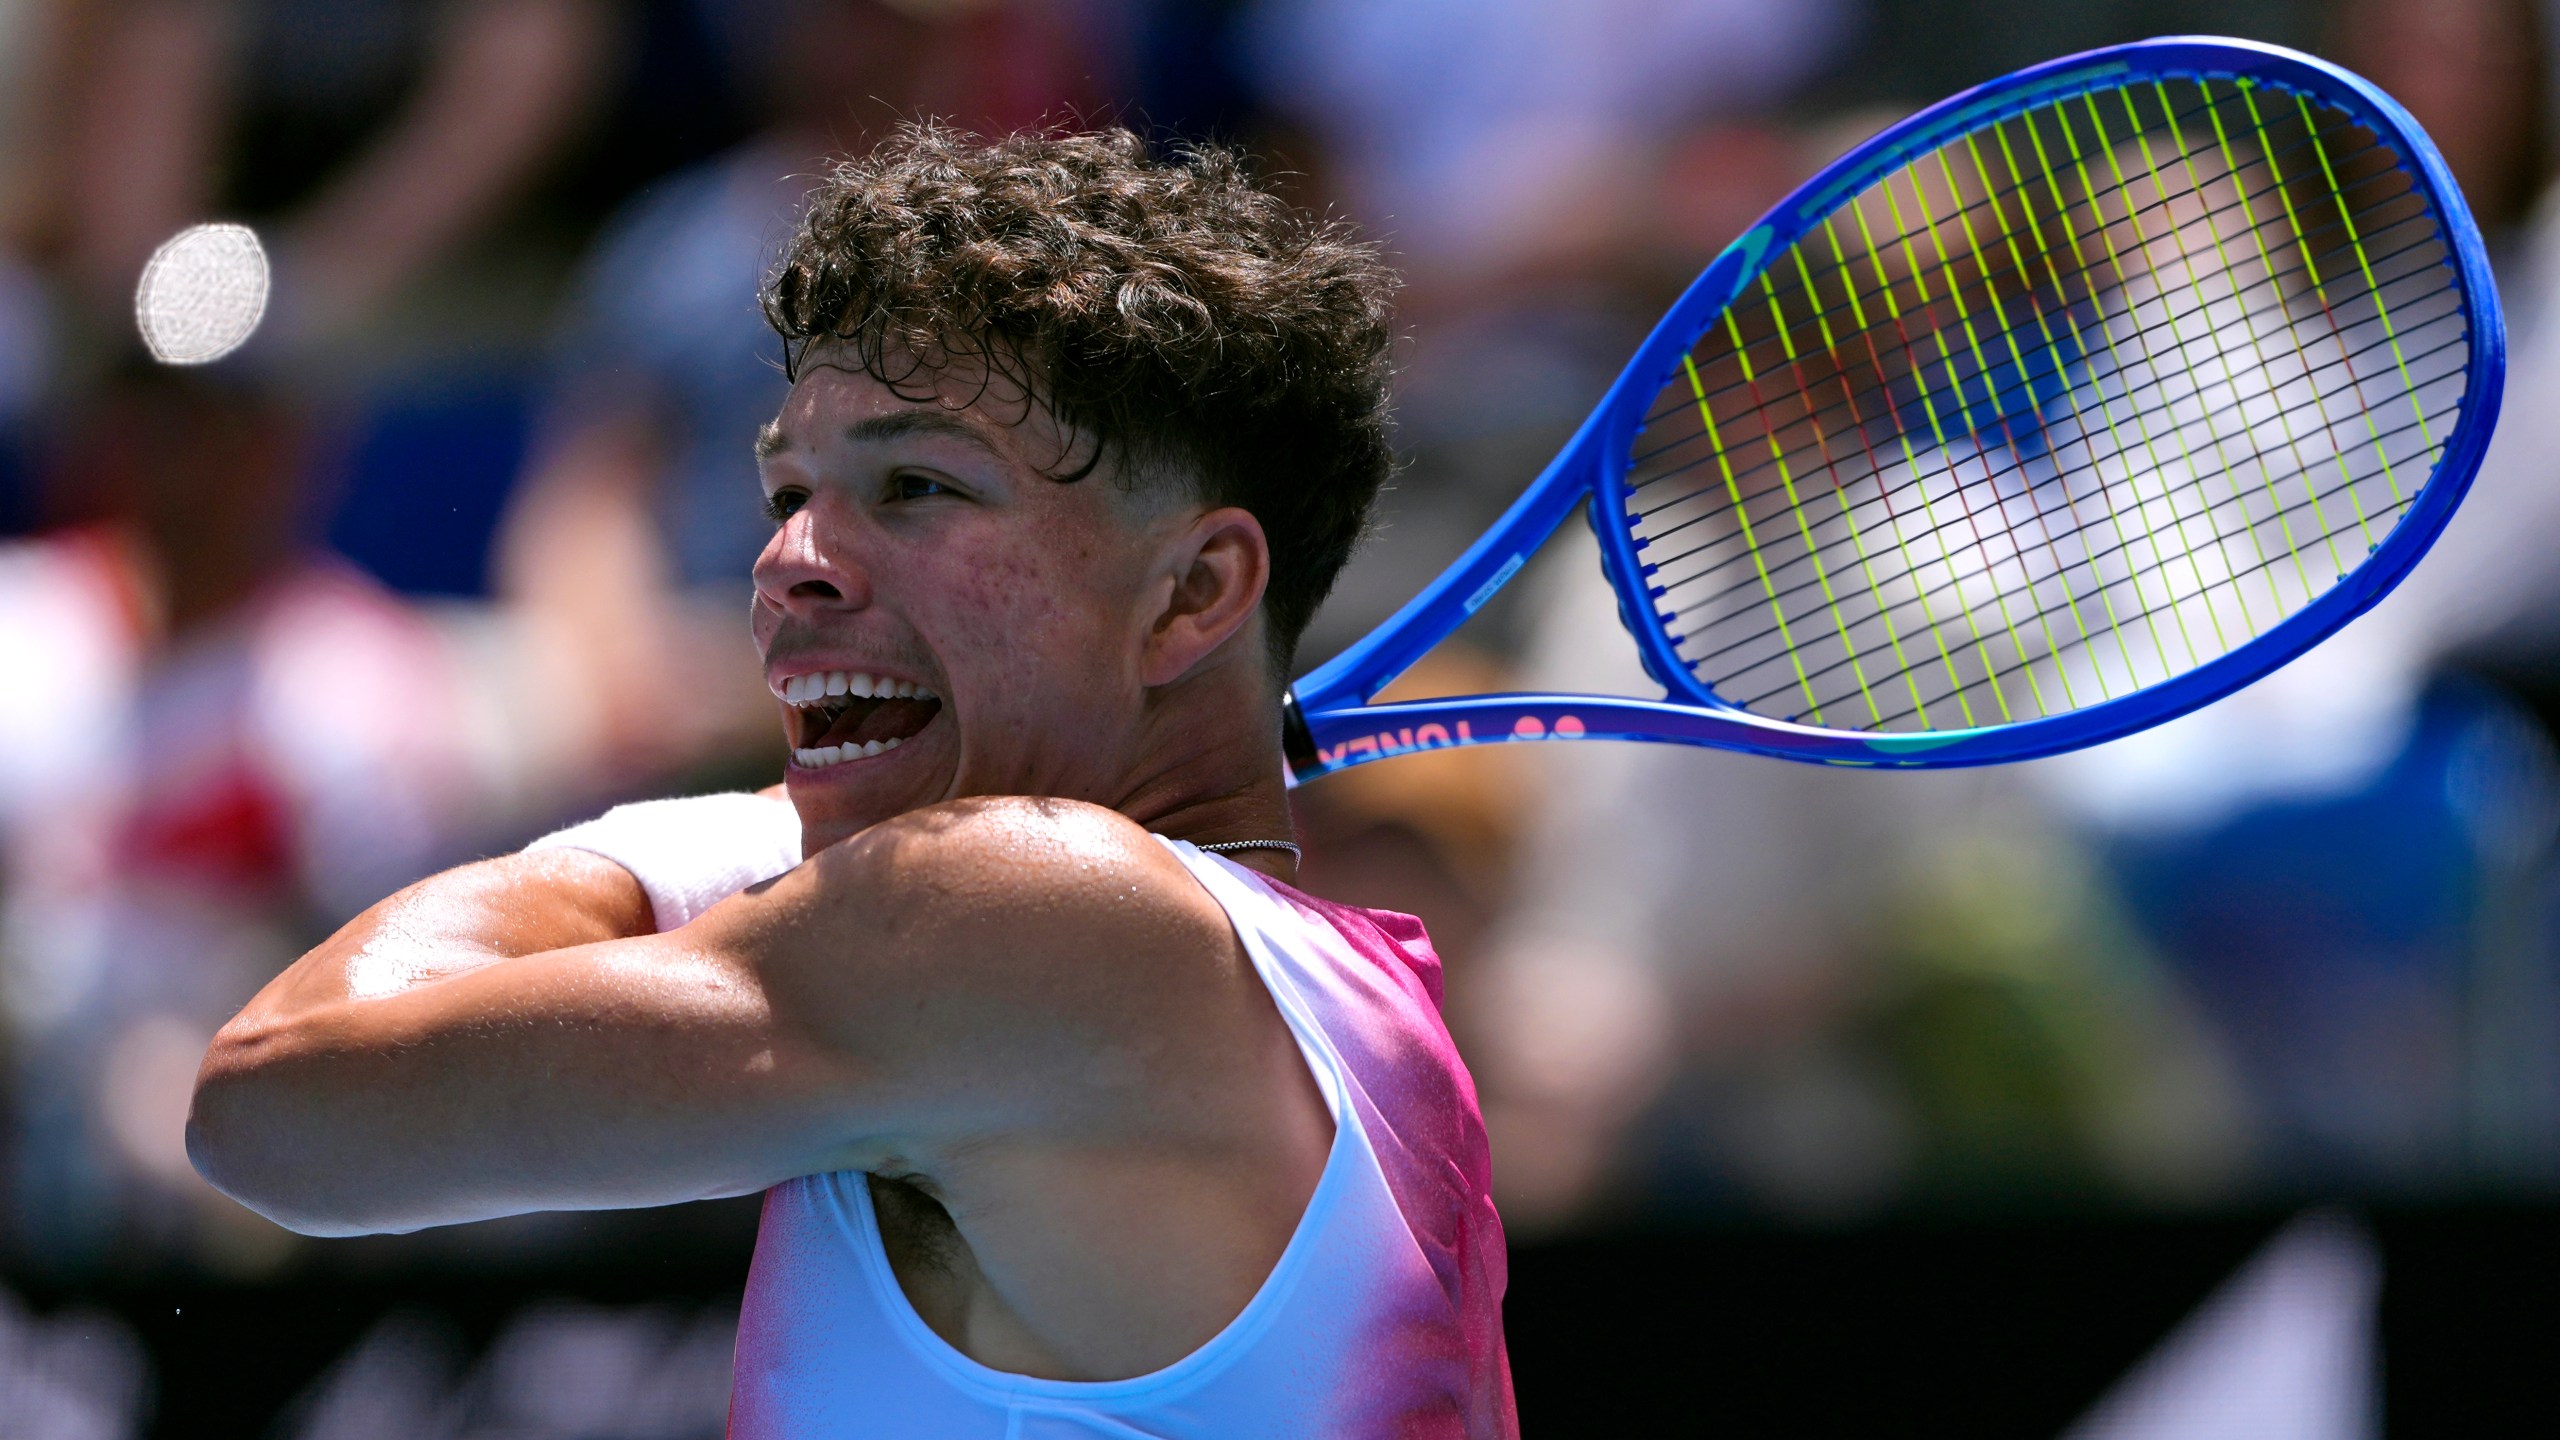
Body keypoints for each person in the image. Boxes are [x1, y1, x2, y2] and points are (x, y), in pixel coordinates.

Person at [185, 125, 1516, 1437]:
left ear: (1194, 594)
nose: (789, 565)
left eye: (917, 485)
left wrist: (721, 831)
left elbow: (277, 1100)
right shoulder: (1344, 1005)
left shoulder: (1027, 910)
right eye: (787, 496)